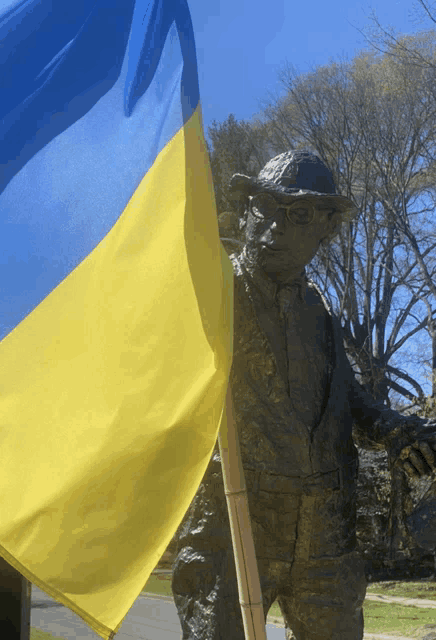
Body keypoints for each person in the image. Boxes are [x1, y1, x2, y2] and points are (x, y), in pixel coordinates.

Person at [171, 150, 436, 640]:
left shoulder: (320, 315)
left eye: (298, 216)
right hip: (235, 521)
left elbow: (350, 400)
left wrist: (400, 430)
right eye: (263, 207)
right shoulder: (211, 291)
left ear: (326, 229)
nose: (273, 227)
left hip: (325, 532)